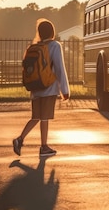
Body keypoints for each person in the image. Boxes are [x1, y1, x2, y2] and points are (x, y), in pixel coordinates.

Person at [13, 18, 70, 158]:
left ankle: (19, 139)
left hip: (35, 87)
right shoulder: (55, 46)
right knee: (44, 118)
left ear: (39, 32)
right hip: (48, 87)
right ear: (52, 32)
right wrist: (65, 90)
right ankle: (44, 147)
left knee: (36, 117)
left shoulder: (35, 47)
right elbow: (59, 68)